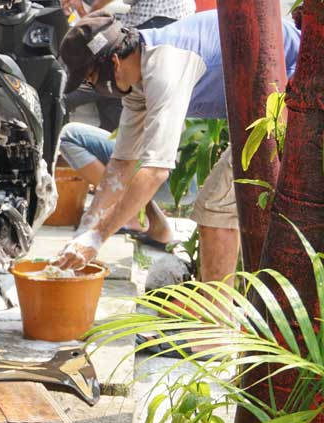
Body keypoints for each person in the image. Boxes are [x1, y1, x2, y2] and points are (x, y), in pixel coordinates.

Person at [51, 10, 301, 285]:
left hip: (295, 89)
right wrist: (85, 233)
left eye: (90, 78)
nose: (92, 86)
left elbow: (155, 171)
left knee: (216, 208)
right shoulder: (137, 82)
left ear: (113, 62)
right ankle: (217, 307)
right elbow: (122, 164)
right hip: (262, 102)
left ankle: (216, 311)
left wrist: (98, 237)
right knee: (216, 208)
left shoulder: (165, 67)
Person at [62, 0, 196, 131]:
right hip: (160, 20)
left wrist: (90, 11)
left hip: (157, 18)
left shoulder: (157, 71)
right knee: (114, 87)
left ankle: (60, 100)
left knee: (111, 79)